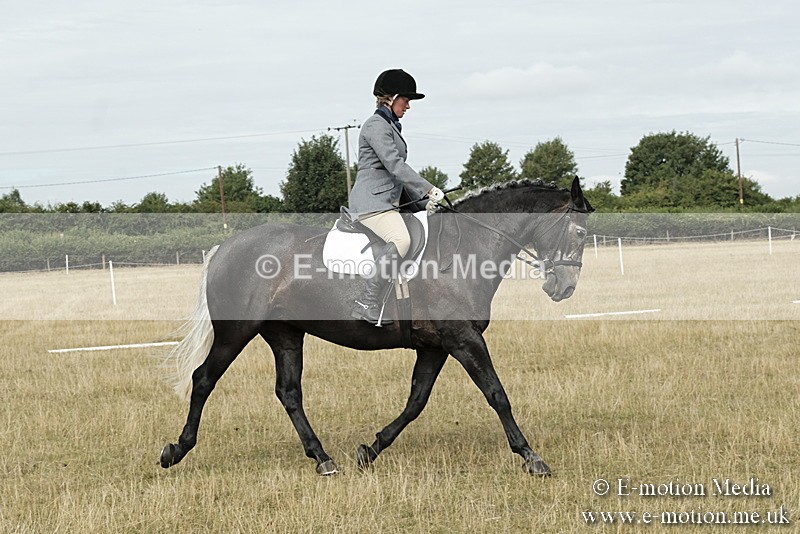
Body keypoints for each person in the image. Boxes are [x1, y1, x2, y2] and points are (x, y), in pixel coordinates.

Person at [348, 68, 444, 325]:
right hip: (372, 203)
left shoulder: (389, 125)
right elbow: (395, 166)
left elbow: (397, 176)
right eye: (406, 100)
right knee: (400, 239)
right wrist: (428, 188)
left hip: (389, 202)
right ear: (391, 98)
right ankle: (367, 301)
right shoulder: (375, 126)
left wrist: (426, 205)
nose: (409, 106)